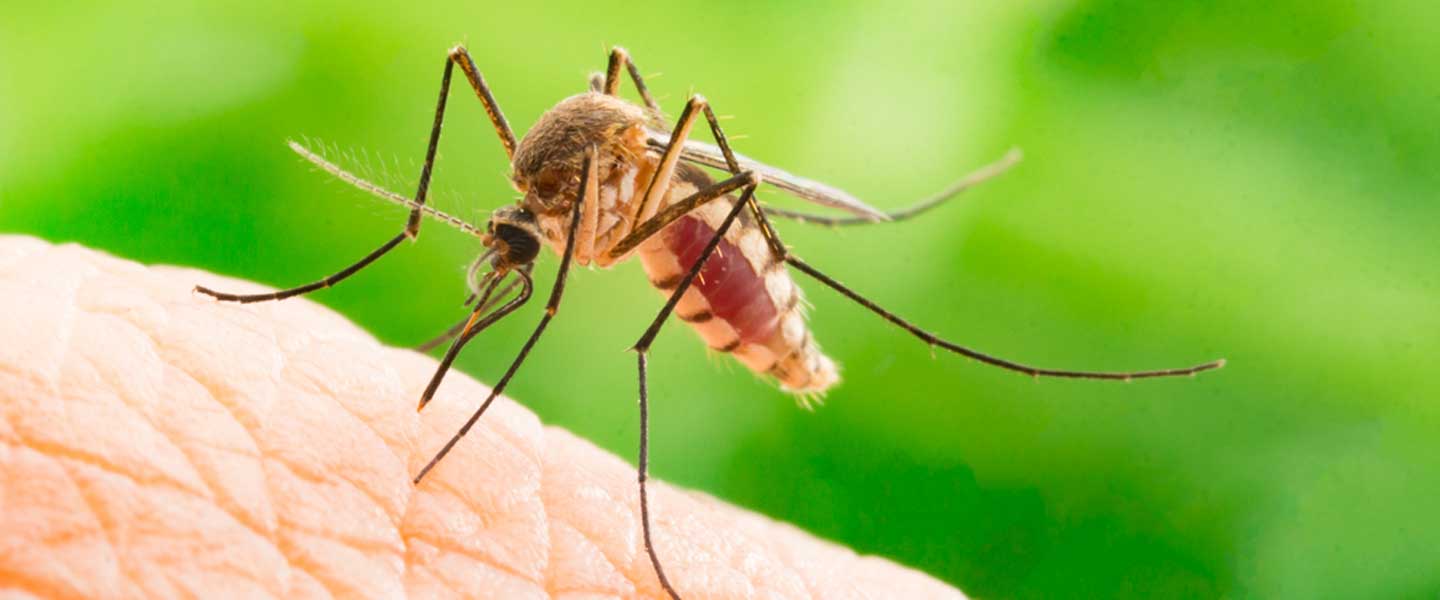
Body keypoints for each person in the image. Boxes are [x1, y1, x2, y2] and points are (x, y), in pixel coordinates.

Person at [0, 235, 962, 599]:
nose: (505, 256)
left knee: (664, 235)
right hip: (657, 209)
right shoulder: (555, 193)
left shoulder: (599, 204)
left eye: (513, 241)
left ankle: (912, 330)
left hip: (705, 224)